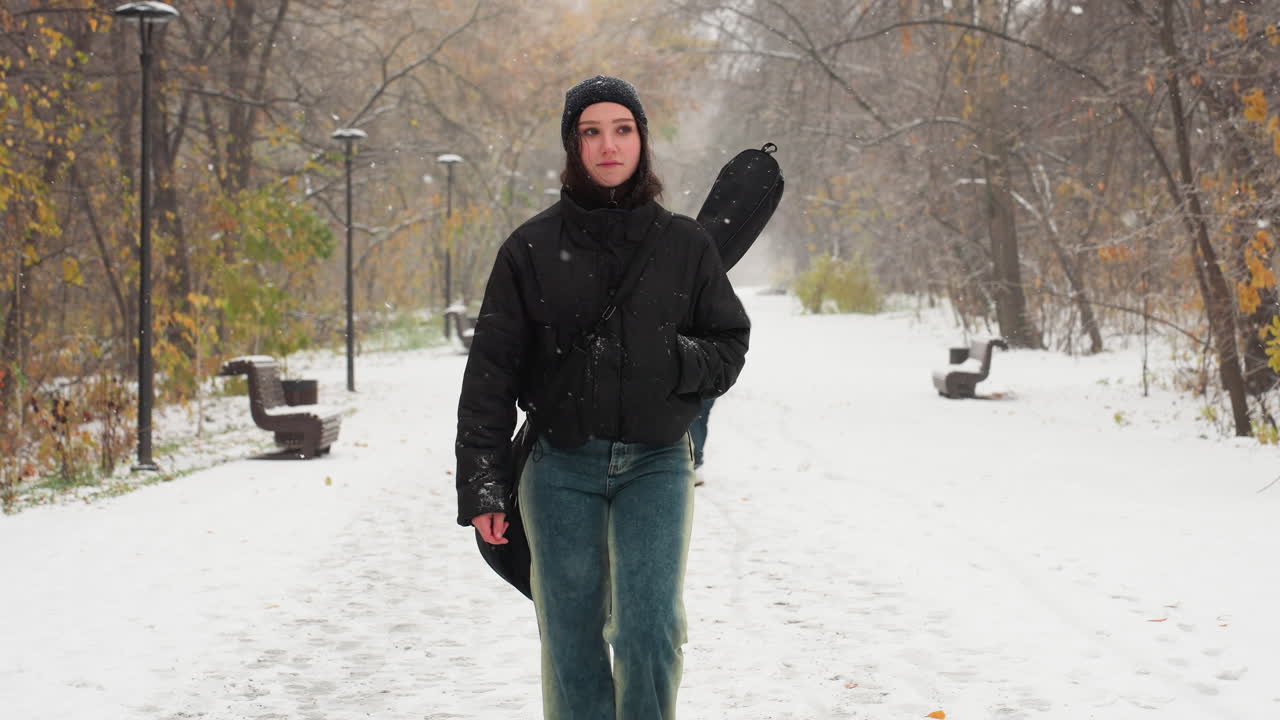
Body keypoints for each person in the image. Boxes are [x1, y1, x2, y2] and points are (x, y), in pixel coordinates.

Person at [454, 75, 750, 719]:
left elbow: (730, 342)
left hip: (657, 463)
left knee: (650, 631)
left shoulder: (684, 245)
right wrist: (481, 487)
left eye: (623, 129)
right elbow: (489, 378)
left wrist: (673, 359)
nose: (608, 145)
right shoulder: (529, 249)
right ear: (572, 145)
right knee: (570, 638)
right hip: (559, 466)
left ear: (641, 141)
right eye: (591, 132)